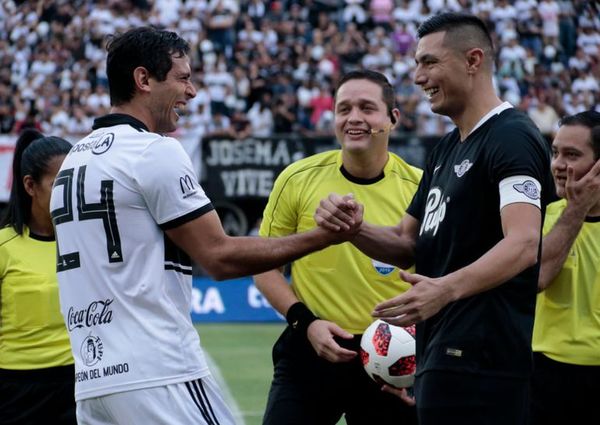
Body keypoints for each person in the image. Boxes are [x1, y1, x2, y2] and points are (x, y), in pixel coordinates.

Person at [48, 26, 353, 425]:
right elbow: (220, 257)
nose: (192, 92)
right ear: (143, 80)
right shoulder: (153, 151)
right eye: (184, 78)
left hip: (93, 381)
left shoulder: (74, 160)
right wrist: (323, 236)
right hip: (158, 371)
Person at [315, 12, 553, 424]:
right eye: (416, 64)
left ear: (473, 60)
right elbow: (407, 244)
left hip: (484, 359)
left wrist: (443, 290)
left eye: (429, 62)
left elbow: (524, 243)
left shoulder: (511, 137)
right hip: (439, 354)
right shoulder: (445, 149)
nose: (418, 77)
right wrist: (353, 229)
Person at [253, 70, 421, 425]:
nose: (354, 118)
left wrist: (415, 359)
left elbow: (440, 274)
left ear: (393, 119)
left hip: (393, 357)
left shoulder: (420, 187)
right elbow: (264, 265)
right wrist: (306, 323)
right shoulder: (297, 178)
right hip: (310, 347)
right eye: (343, 109)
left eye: (367, 108)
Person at [530, 111, 600, 425]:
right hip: (546, 373)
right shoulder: (537, 217)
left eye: (572, 155)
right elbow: (540, 276)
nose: (558, 164)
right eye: (555, 152)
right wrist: (577, 208)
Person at [0, 129, 75, 424]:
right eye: (60, 183)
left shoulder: (88, 243)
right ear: (30, 186)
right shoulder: (4, 247)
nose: (69, 193)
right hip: (15, 392)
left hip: (78, 385)